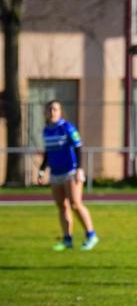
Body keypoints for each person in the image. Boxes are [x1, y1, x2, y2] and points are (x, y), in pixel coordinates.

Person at [38, 100, 97, 251]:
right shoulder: (46, 131)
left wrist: (79, 169)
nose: (52, 112)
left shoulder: (67, 128)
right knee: (62, 206)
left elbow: (78, 147)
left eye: (55, 109)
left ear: (60, 112)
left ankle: (91, 235)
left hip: (70, 171)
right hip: (55, 172)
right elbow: (48, 152)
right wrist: (42, 170)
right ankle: (67, 239)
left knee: (75, 204)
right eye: (50, 109)